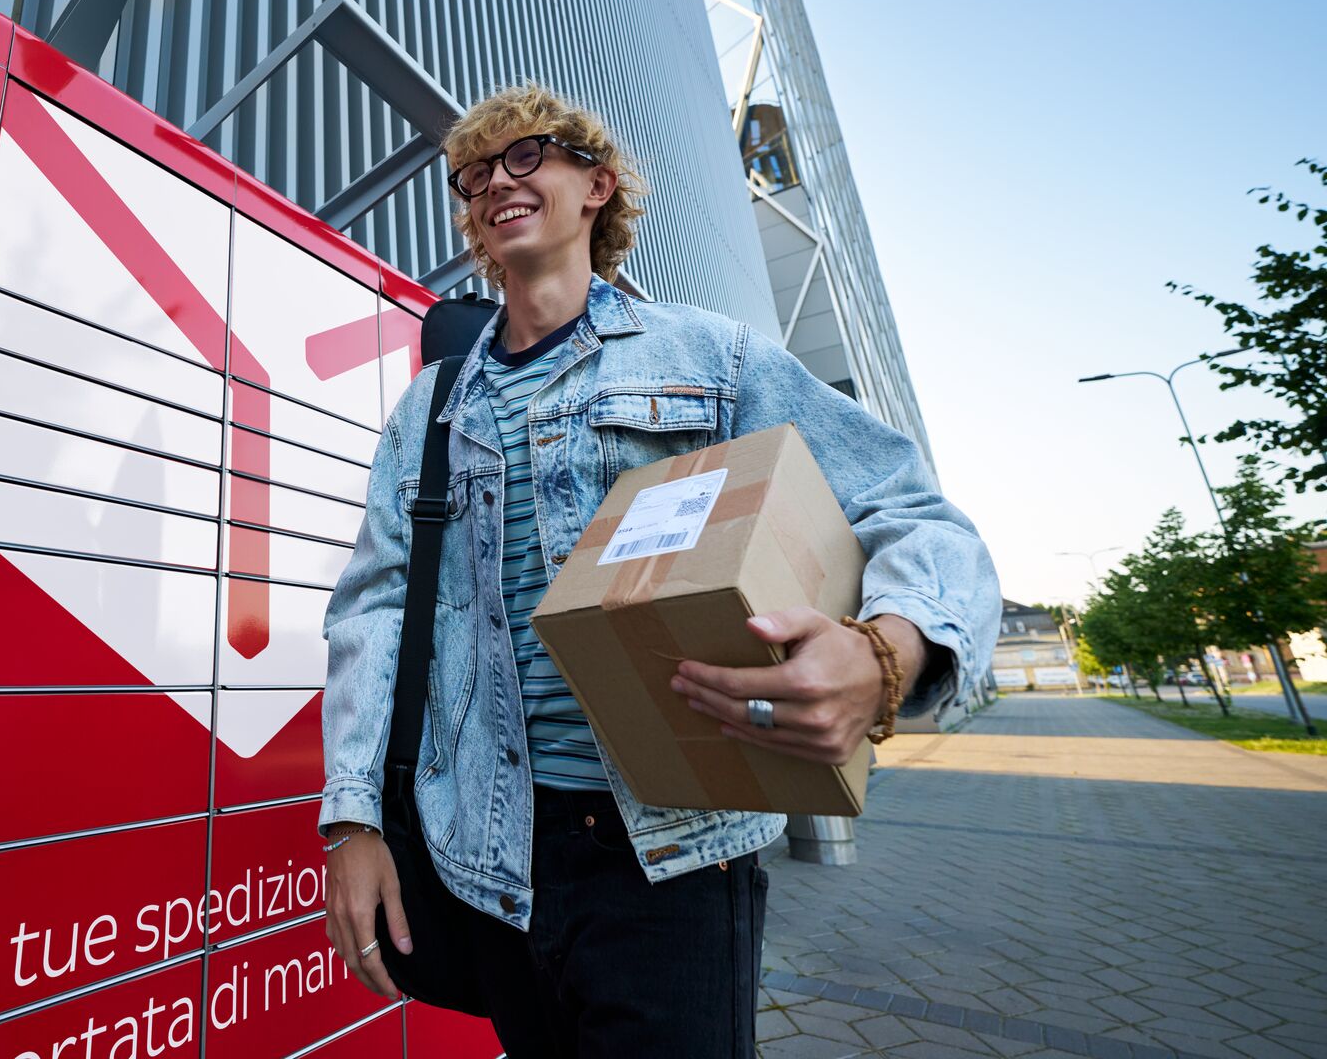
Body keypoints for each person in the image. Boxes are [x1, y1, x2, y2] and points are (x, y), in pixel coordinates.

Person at [318, 83, 1002, 1057]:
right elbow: (374, 609)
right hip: (489, 848)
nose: (493, 183)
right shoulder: (430, 409)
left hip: (671, 852)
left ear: (597, 185)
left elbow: (910, 509)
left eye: (526, 156)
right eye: (473, 174)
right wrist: (352, 819)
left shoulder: (710, 357)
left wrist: (884, 652)